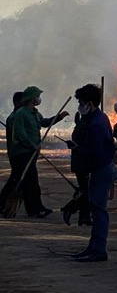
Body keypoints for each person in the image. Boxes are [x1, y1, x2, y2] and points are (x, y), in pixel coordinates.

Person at [0, 86, 67, 217]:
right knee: (29, 182)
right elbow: (20, 135)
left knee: (20, 180)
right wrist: (32, 145)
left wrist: (59, 117)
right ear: (31, 98)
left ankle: (31, 208)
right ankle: (35, 209)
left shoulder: (34, 113)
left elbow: (44, 122)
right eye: (37, 96)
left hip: (30, 153)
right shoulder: (19, 115)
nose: (38, 99)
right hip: (20, 154)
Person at [68, 84, 116, 263]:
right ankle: (93, 247)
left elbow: (97, 152)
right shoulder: (100, 117)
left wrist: (78, 148)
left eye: (80, 102)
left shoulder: (96, 124)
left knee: (98, 211)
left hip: (101, 169)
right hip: (103, 168)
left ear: (89, 103)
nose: (79, 106)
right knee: (96, 209)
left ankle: (99, 250)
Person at [62, 103, 94, 226]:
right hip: (83, 162)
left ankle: (84, 216)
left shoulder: (83, 123)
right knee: (86, 191)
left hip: (81, 162)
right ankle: (71, 208)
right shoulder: (84, 125)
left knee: (86, 190)